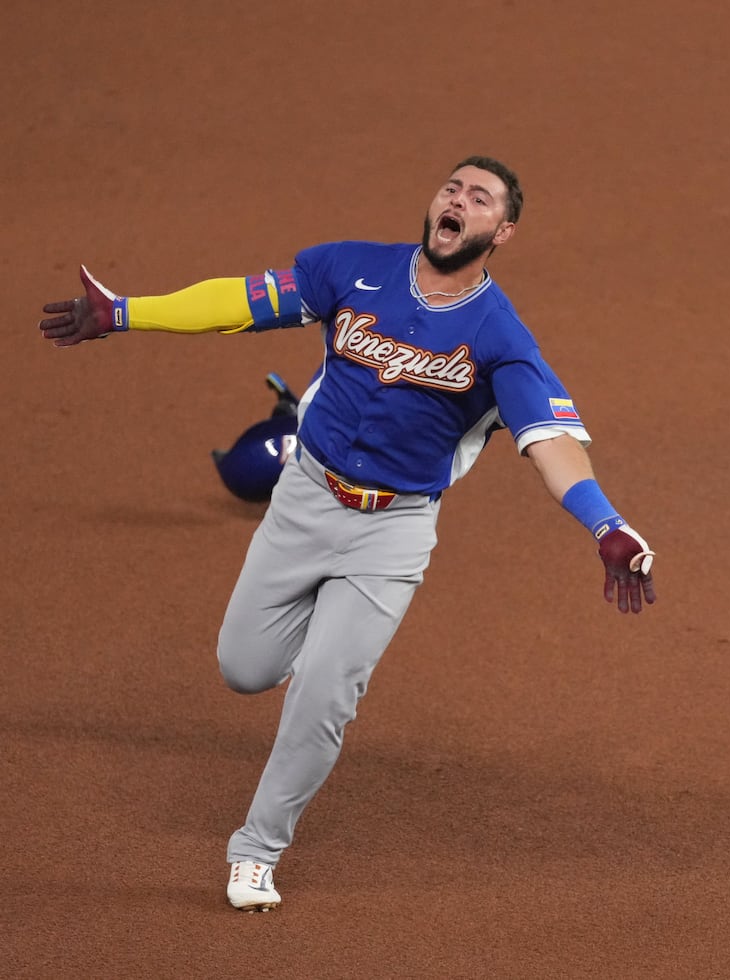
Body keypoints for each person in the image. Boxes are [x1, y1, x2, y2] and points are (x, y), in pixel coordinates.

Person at [38, 156, 656, 912]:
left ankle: (258, 847)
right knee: (244, 666)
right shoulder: (351, 270)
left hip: (391, 533)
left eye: (481, 198)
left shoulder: (501, 338)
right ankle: (290, 495)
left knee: (326, 692)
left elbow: (548, 441)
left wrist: (607, 524)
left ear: (504, 231)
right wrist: (126, 312)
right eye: (453, 188)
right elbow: (242, 301)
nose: (458, 201)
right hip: (304, 499)